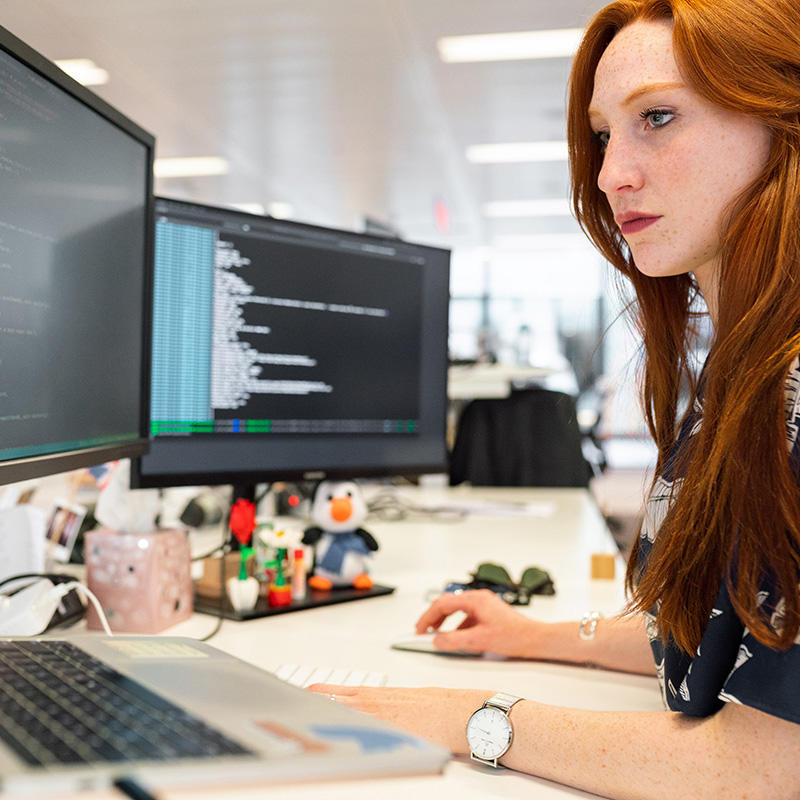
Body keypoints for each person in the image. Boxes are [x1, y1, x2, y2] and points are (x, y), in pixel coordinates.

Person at [309, 0, 800, 795]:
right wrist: (536, 636)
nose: (610, 174)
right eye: (604, 134)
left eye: (659, 117)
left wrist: (470, 718)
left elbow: (771, 765)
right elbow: (726, 635)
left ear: (783, 121)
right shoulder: (743, 372)